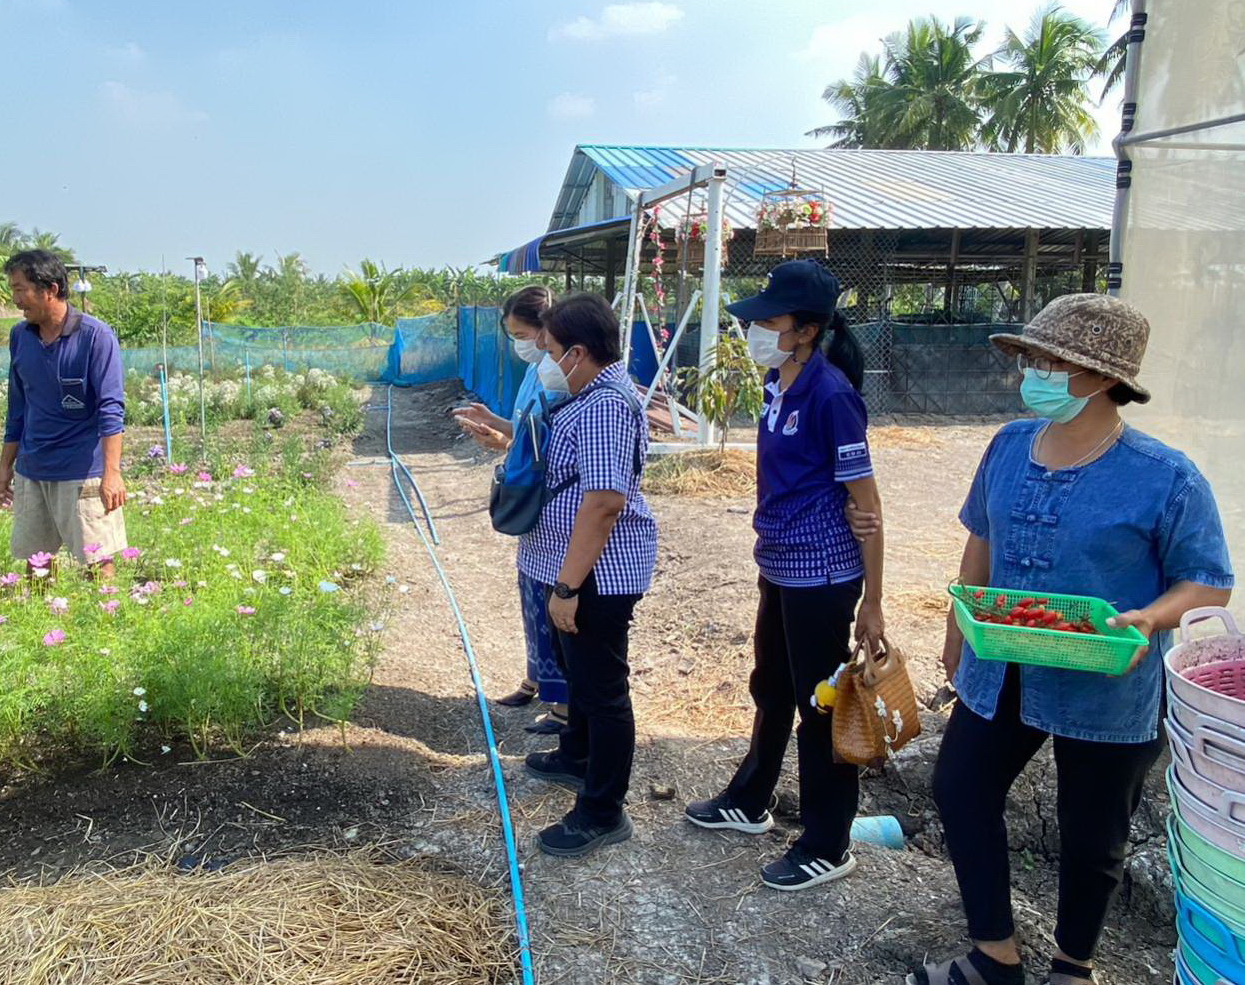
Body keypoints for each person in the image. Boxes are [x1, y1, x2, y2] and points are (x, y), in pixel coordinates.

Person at [900, 294, 1233, 985]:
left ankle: (1073, 966)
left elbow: (1208, 583)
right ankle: (994, 954)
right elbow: (980, 540)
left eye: (1052, 361)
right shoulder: (1008, 446)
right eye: (1032, 358)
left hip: (1109, 678)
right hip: (1004, 661)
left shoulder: (1166, 477)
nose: (1034, 373)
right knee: (960, 787)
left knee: (1094, 831)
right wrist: (957, 630)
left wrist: (1152, 617)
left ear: (1105, 378)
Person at [684, 259, 886, 891]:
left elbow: (868, 508)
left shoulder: (832, 396)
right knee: (771, 686)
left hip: (820, 576)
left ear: (806, 331)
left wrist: (873, 602)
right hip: (778, 564)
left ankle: (828, 842)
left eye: (769, 322)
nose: (756, 332)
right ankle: (750, 799)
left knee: (820, 706)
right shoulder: (778, 383)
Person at [516, 292, 658, 858]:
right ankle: (577, 756)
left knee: (602, 692)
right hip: (573, 566)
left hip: (596, 574)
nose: (546, 361)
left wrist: (568, 588)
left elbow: (603, 503)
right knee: (579, 675)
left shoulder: (604, 406)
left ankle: (602, 811)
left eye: (551, 350)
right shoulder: (591, 396)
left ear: (577, 353)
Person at [452, 287, 570, 735]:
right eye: (514, 336)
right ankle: (538, 679)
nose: (522, 345)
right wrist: (497, 426)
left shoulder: (560, 377)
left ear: (548, 331)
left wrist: (507, 443)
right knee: (532, 595)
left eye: (524, 335)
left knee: (552, 600)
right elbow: (527, 433)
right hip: (530, 502)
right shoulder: (535, 372)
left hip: (551, 503)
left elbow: (550, 446)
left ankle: (563, 705)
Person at [0, 250, 128, 579]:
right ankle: (41, 611)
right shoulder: (20, 337)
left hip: (82, 472)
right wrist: (5, 467)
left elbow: (111, 409)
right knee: (37, 562)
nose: (16, 300)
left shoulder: (95, 337)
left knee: (98, 560)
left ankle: (107, 611)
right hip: (33, 470)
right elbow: (17, 408)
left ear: (50, 290)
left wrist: (112, 473)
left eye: (20, 289)